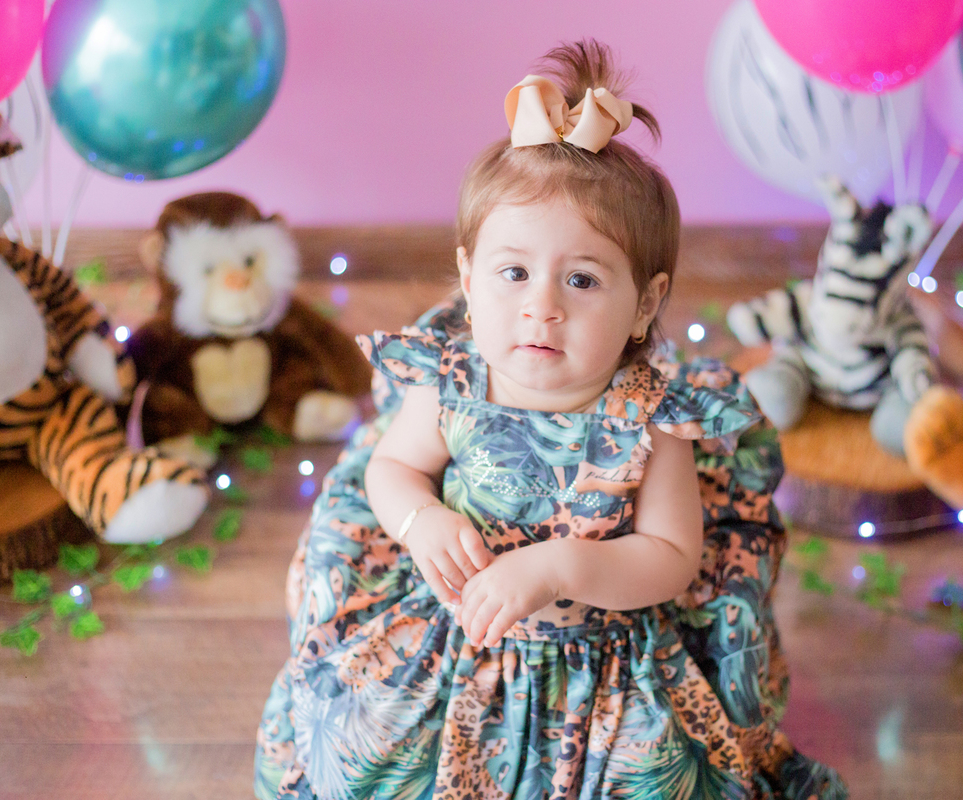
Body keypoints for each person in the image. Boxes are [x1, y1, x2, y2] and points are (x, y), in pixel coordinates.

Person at [256, 40, 845, 800]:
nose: (543, 305)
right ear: (468, 278)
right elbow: (393, 469)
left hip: (599, 659)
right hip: (456, 637)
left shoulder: (648, 421)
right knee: (363, 749)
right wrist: (422, 522)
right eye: (513, 272)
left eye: (582, 279)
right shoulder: (454, 380)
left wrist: (563, 565)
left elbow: (671, 556)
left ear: (645, 302)